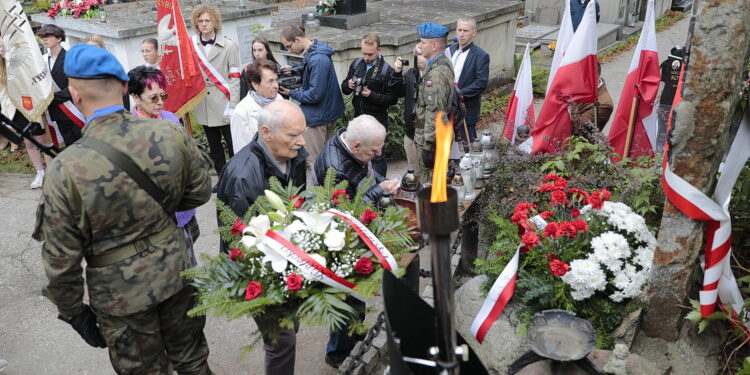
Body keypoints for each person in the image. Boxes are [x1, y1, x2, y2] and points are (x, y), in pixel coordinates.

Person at [33, 44, 213, 374]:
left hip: (120, 296)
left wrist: (73, 312)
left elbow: (61, 259)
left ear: (74, 93)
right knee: (193, 362)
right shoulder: (169, 132)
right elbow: (200, 193)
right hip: (177, 272)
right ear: (123, 87)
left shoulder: (66, 169)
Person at [216, 100, 307, 375]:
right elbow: (239, 241)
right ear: (266, 132)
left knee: (292, 325)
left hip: (288, 260)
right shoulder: (242, 174)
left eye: (302, 132)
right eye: (293, 135)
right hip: (259, 270)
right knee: (282, 340)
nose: (302, 142)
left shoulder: (295, 156)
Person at [127, 65, 202, 256]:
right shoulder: (129, 129)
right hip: (156, 217)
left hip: (183, 208)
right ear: (136, 97)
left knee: (190, 259)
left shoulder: (170, 118)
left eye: (163, 96)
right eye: (153, 98)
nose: (160, 102)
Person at [279, 25, 344, 184]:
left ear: (298, 39)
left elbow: (315, 95)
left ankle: (319, 198)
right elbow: (311, 69)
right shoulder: (316, 51)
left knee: (314, 163)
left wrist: (291, 93)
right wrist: (295, 69)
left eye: (289, 46)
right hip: (325, 113)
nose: (289, 50)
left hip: (318, 119)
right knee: (323, 159)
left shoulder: (318, 59)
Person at [191, 5, 241, 176]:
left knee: (232, 143)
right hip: (204, 102)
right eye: (200, 21)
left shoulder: (229, 45)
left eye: (207, 20)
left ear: (215, 22)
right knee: (214, 146)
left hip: (224, 101)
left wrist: (233, 104)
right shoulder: (191, 45)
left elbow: (235, 77)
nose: (204, 24)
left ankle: (236, 177)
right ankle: (222, 177)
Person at [340, 33, 398, 176]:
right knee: (357, 154)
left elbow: (392, 99)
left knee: (377, 156)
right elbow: (344, 89)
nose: (366, 57)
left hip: (377, 120)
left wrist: (371, 95)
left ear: (379, 50)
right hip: (359, 118)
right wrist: (349, 85)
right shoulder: (356, 64)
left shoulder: (386, 71)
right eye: (364, 53)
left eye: (370, 54)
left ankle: (380, 186)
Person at [0, 37, 52, 188]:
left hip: (30, 105)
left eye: (2, 47)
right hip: (14, 109)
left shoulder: (20, 62)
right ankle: (39, 172)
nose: (1, 50)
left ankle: (51, 172)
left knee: (43, 142)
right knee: (29, 142)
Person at [414, 22, 455, 182]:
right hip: (435, 137)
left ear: (434, 45)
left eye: (423, 42)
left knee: (430, 183)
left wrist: (429, 146)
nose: (420, 46)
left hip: (431, 140)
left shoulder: (436, 75)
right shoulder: (440, 64)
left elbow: (435, 113)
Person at [37, 24, 83, 146]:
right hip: (57, 112)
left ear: (59, 38)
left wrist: (50, 99)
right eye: (43, 37)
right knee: (69, 145)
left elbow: (75, 86)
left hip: (74, 109)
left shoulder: (70, 58)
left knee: (83, 143)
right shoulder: (44, 60)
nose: (45, 39)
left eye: (48, 36)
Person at [447, 17, 489, 143]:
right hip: (446, 109)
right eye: (459, 30)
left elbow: (481, 83)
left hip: (466, 108)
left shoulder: (481, 56)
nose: (461, 34)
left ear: (474, 33)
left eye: (465, 30)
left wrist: (458, 94)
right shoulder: (449, 50)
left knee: (469, 147)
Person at [231, 59, 284, 152]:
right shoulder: (241, 112)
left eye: (276, 80)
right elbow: (241, 153)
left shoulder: (279, 99)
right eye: (270, 81)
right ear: (255, 84)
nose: (276, 85)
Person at [390, 44, 428, 174]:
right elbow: (396, 93)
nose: (418, 58)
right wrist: (397, 73)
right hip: (411, 134)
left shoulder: (436, 74)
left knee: (430, 175)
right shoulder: (411, 74)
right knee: (414, 174)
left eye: (421, 54)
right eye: (416, 55)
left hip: (428, 136)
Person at [570, 62, 613, 132]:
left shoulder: (604, 104)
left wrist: (570, 99)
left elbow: (578, 127)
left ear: (595, 78)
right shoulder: (581, 87)